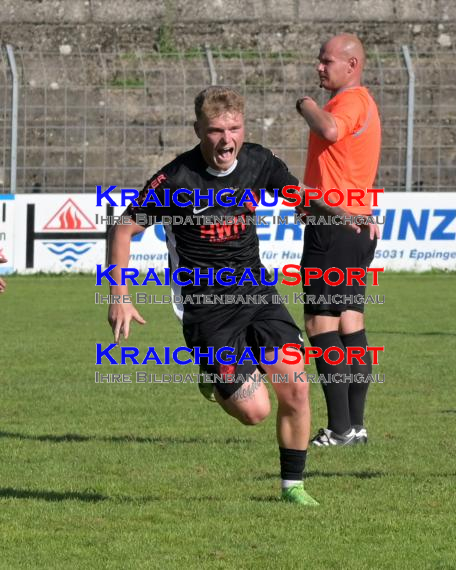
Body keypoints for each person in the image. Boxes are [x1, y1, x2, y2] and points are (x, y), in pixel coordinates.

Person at [107, 86, 319, 505]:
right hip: (206, 308)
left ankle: (293, 486)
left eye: (235, 128)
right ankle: (214, 376)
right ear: (198, 130)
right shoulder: (176, 180)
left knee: (296, 387)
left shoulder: (259, 160)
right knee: (255, 412)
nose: (227, 140)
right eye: (216, 131)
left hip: (258, 293)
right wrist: (119, 295)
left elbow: (299, 198)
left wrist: (330, 213)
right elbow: (123, 228)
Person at [296, 34, 382, 447]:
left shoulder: (346, 102)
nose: (319, 67)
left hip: (335, 230)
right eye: (319, 60)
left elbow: (329, 131)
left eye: (326, 61)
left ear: (352, 65)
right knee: (350, 322)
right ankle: (356, 425)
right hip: (355, 225)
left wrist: (304, 105)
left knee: (319, 323)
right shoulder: (364, 102)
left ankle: (340, 429)